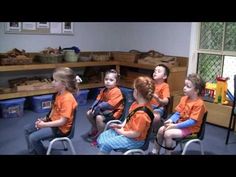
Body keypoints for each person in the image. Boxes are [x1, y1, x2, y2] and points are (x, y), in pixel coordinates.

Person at [24, 67, 82, 155]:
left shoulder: (67, 99)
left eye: (55, 80)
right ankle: (32, 152)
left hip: (60, 129)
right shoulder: (58, 94)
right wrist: (45, 119)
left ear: (64, 84)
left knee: (33, 137)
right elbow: (54, 110)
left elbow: (62, 122)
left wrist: (44, 125)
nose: (52, 82)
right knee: (27, 129)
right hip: (53, 122)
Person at [150, 73, 207, 155]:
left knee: (168, 134)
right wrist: (170, 120)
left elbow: (192, 122)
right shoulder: (184, 99)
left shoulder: (199, 104)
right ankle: (155, 151)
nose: (184, 88)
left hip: (191, 130)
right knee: (160, 130)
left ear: (196, 91)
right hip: (180, 125)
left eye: (188, 86)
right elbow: (177, 113)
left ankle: (167, 153)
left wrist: (175, 126)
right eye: (185, 85)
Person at [97, 76, 155, 154]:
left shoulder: (142, 114)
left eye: (134, 89)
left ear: (137, 92)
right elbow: (129, 116)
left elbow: (135, 134)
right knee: (103, 136)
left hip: (135, 140)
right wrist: (121, 125)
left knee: (105, 144)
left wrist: (121, 132)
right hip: (127, 132)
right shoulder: (136, 104)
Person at [84, 69, 124, 146]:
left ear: (116, 82)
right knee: (89, 113)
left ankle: (100, 137)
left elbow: (111, 105)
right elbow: (98, 99)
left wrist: (99, 106)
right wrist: (93, 107)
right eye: (106, 79)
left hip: (114, 112)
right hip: (105, 110)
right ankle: (97, 129)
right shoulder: (104, 90)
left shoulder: (117, 91)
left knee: (99, 118)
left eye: (111, 80)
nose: (108, 81)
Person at [150, 64, 170, 134]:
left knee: (156, 117)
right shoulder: (151, 83)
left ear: (164, 76)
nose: (155, 72)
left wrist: (158, 99)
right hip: (148, 105)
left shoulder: (165, 86)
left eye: (158, 71)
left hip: (158, 107)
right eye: (155, 71)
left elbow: (166, 101)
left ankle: (154, 132)